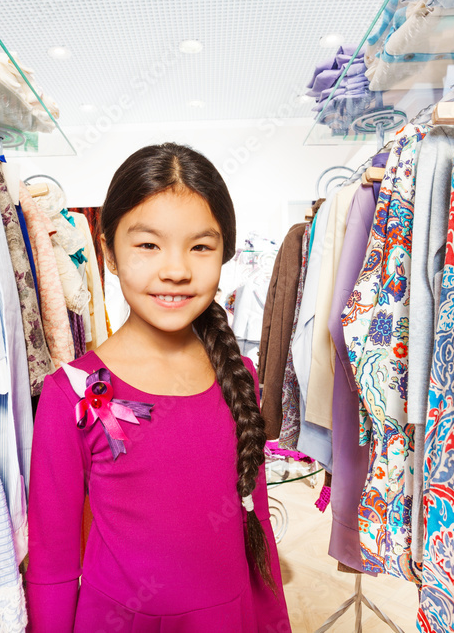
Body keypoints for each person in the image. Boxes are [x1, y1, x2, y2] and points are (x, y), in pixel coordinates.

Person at [25, 143, 291, 632]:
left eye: (200, 246)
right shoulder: (74, 392)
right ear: (108, 252)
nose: (176, 269)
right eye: (148, 244)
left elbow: (257, 533)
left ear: (224, 254)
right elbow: (52, 566)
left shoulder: (240, 379)